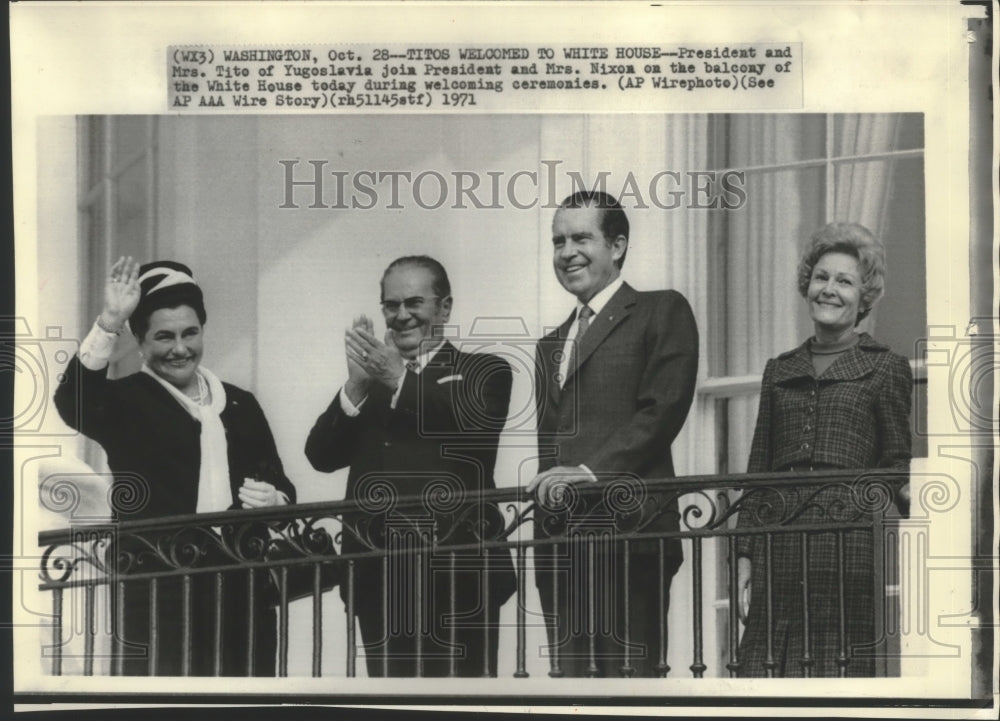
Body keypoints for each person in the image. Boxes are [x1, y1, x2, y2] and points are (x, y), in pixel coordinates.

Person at [53, 258, 296, 676]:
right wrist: (109, 321)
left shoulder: (239, 404)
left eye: (190, 333)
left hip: (243, 591)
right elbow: (71, 403)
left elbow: (282, 485)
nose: (180, 348)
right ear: (141, 341)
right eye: (163, 336)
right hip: (158, 591)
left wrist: (275, 498)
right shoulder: (127, 401)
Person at [305, 256, 516, 677]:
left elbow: (473, 434)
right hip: (378, 579)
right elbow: (321, 455)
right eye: (390, 305)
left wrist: (399, 379)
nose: (401, 316)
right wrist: (357, 385)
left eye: (414, 302)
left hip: (457, 579)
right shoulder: (374, 382)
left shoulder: (483, 370)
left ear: (445, 307)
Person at [527, 191, 699, 677]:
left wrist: (589, 472)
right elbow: (550, 444)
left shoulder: (660, 310)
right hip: (561, 547)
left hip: (631, 534)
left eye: (582, 237)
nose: (567, 252)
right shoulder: (550, 345)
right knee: (571, 692)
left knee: (631, 688)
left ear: (618, 245)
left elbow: (662, 410)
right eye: (558, 241)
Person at [735, 222, 912, 677]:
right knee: (767, 671)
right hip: (779, 541)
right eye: (822, 277)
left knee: (838, 673)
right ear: (807, 284)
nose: (829, 289)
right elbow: (758, 473)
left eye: (845, 281)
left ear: (864, 296)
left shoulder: (885, 367)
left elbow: (895, 465)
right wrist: (744, 558)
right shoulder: (780, 370)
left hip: (847, 544)